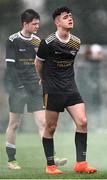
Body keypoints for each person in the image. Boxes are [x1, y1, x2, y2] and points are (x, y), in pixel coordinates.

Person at [35, 6, 97, 174]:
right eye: (65, 17)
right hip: (52, 89)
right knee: (51, 127)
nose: (70, 19)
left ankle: (81, 164)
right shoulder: (47, 42)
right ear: (57, 22)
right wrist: (43, 79)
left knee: (83, 122)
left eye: (71, 16)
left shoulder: (76, 42)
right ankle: (50, 166)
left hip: (70, 88)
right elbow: (38, 63)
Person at [5, 9, 67, 170]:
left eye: (38, 23)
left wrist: (43, 80)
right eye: (34, 24)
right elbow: (10, 68)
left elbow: (41, 63)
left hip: (34, 88)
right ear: (25, 24)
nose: (37, 26)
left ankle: (52, 158)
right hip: (18, 89)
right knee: (14, 124)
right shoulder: (12, 40)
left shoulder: (37, 41)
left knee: (43, 123)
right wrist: (17, 86)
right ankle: (11, 160)